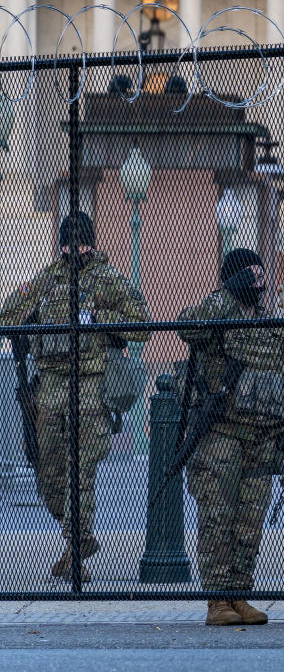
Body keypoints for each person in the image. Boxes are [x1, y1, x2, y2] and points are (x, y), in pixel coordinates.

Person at [0, 211, 151, 582]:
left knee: (80, 473)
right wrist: (27, 305)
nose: (74, 249)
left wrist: (99, 317)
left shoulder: (108, 278)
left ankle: (74, 548)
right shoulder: (48, 277)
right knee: (49, 476)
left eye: (81, 241)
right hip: (49, 386)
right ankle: (79, 537)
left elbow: (142, 325)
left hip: (91, 385)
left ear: (92, 242)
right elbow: (8, 315)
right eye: (68, 242)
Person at [177, 248, 284, 626]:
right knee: (217, 519)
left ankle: (240, 595)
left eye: (259, 272)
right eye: (248, 274)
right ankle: (217, 601)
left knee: (249, 523)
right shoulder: (217, 315)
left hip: (262, 439)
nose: (257, 280)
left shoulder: (272, 325)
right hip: (222, 437)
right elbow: (185, 326)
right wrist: (225, 295)